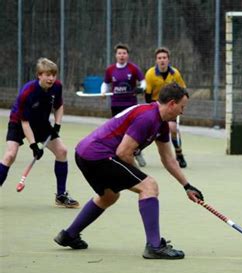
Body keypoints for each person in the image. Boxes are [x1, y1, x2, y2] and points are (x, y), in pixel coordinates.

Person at [54, 83, 203, 260]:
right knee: (149, 186)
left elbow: (168, 159)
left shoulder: (161, 123)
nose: (182, 112)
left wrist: (187, 186)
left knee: (109, 196)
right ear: (171, 103)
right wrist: (142, 179)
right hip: (98, 155)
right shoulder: (147, 117)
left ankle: (69, 235)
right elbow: (123, 152)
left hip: (84, 154)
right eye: (181, 107)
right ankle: (154, 246)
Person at [0, 58, 79, 208]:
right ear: (39, 75)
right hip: (19, 122)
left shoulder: (57, 87)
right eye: (47, 75)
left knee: (62, 151)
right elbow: (25, 122)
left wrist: (57, 125)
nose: (51, 78)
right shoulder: (28, 92)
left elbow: (59, 106)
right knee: (10, 155)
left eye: (53, 75)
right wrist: (34, 145)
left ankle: (61, 196)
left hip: (42, 123)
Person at [101, 43, 147, 167]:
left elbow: (143, 82)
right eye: (119, 53)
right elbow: (105, 83)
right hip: (116, 105)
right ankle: (119, 154)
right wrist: (103, 92)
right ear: (116, 55)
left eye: (124, 53)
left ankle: (137, 151)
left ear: (127, 55)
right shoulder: (110, 70)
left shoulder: (133, 69)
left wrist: (141, 88)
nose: (122, 56)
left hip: (131, 105)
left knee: (133, 132)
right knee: (118, 131)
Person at [145, 47, 187, 168]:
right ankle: (137, 150)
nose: (162, 60)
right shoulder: (150, 74)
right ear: (156, 60)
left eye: (164, 58)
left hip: (171, 105)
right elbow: (148, 95)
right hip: (156, 106)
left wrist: (180, 105)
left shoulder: (175, 73)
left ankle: (179, 153)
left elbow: (182, 89)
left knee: (173, 129)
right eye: (159, 58)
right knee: (151, 131)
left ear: (168, 60)